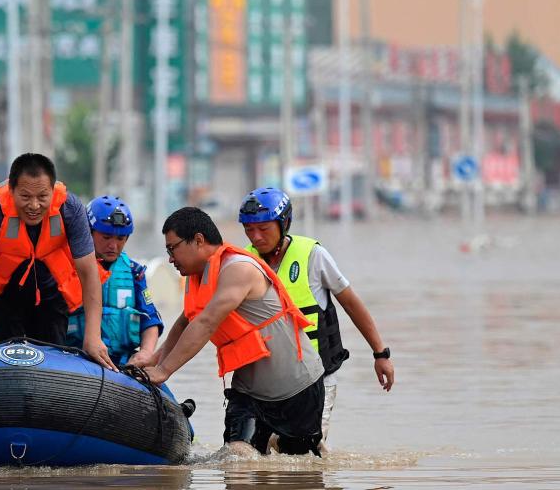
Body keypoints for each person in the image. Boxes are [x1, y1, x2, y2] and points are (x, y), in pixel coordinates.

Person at [142, 207, 327, 456]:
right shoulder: (196, 277)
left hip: (296, 389)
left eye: (172, 249)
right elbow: (186, 322)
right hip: (248, 393)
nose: (170, 259)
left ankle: (280, 441)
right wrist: (154, 360)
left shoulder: (237, 269)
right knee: (236, 459)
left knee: (300, 474)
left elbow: (206, 323)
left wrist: (164, 371)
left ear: (198, 240)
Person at [238, 187, 395, 440]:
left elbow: (352, 304)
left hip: (316, 375)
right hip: (266, 377)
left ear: (284, 223)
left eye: (264, 229)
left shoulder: (313, 256)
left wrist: (380, 354)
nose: (255, 237)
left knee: (307, 457)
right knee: (254, 455)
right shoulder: (243, 262)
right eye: (248, 229)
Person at [0, 153, 115, 370]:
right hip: (2, 287)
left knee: (53, 353)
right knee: (1, 354)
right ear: (12, 190)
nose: (34, 206)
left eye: (42, 196)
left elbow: (88, 273)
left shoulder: (70, 208)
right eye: (25, 197)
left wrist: (93, 337)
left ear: (53, 190)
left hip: (50, 285)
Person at [65, 196, 164, 366]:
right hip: (74, 360)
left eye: (120, 239)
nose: (113, 245)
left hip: (120, 363)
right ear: (88, 232)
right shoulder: (66, 266)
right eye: (106, 237)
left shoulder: (135, 272)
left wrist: (146, 353)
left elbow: (150, 318)